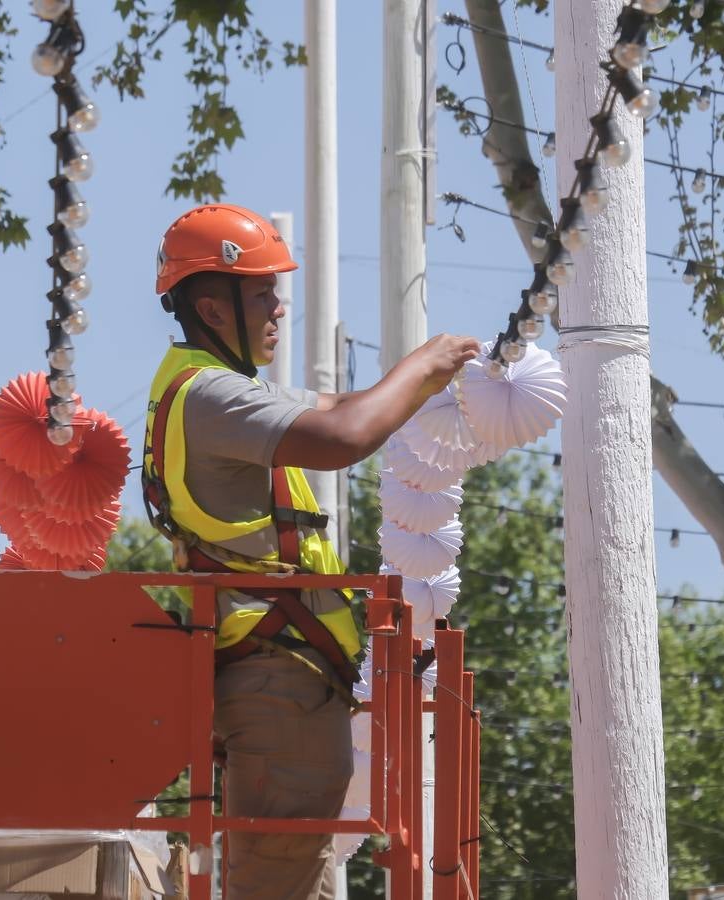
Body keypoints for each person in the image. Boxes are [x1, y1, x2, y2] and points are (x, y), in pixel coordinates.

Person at [142, 204, 481, 900]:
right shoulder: (212, 395)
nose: (279, 307)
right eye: (262, 294)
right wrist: (422, 363)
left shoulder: (217, 386)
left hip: (284, 674)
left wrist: (422, 387)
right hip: (277, 675)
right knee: (278, 883)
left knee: (299, 880)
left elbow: (336, 407)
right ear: (212, 308)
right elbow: (344, 436)